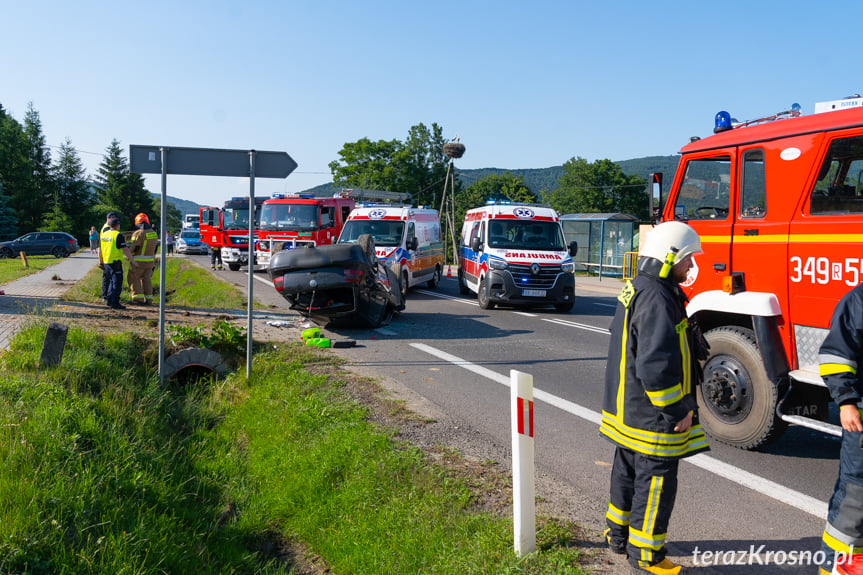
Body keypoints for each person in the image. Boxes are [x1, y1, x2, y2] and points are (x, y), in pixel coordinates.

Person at [600, 221, 710, 575]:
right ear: (669, 257)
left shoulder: (640, 288)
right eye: (687, 260)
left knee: (627, 472)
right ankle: (647, 555)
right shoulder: (659, 297)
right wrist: (676, 408)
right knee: (657, 480)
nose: (690, 267)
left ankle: (617, 536)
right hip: (652, 416)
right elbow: (655, 362)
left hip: (628, 410)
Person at [817, 282, 863, 574]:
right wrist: (846, 402)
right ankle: (832, 568)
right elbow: (836, 354)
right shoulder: (857, 301)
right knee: (853, 505)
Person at [100, 217, 136, 310]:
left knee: (111, 282)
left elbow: (100, 249)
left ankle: (109, 300)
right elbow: (125, 249)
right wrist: (132, 260)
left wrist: (101, 261)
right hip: (115, 262)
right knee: (117, 283)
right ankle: (115, 302)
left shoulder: (104, 234)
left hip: (107, 262)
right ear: (117, 225)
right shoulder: (118, 235)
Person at [126, 213, 159, 305]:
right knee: (146, 279)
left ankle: (138, 299)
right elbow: (155, 248)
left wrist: (128, 253)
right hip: (150, 262)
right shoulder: (153, 233)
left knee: (133, 278)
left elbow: (133, 247)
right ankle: (149, 300)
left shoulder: (138, 233)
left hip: (138, 262)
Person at [99, 211, 119, 301]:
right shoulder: (107, 229)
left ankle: (106, 296)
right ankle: (106, 296)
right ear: (110, 219)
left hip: (106, 256)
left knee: (107, 278)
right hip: (109, 257)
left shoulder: (104, 228)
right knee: (109, 279)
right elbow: (103, 245)